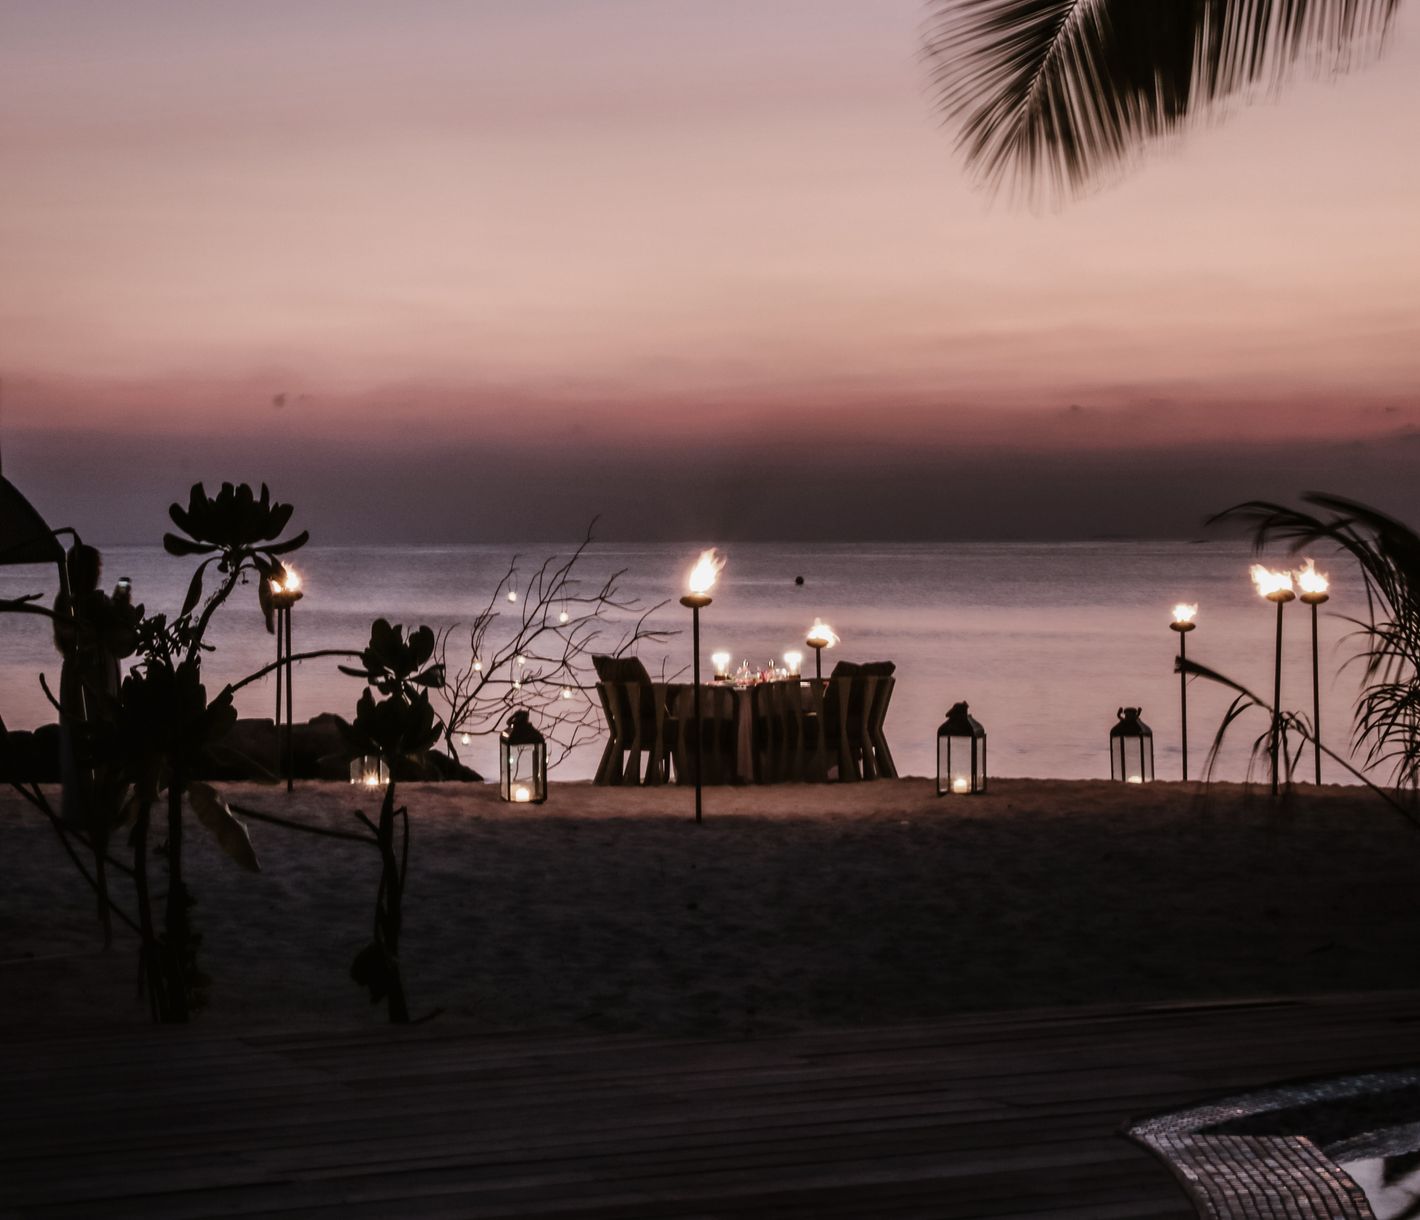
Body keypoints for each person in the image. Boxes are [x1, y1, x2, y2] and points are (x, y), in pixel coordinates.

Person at [53, 545, 139, 825]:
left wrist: (119, 609)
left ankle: (104, 804)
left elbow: (120, 638)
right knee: (85, 735)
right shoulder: (70, 604)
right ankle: (88, 806)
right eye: (93, 568)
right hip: (84, 675)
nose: (97, 574)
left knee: (107, 735)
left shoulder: (94, 603)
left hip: (103, 671)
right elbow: (72, 636)